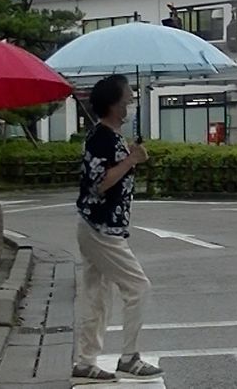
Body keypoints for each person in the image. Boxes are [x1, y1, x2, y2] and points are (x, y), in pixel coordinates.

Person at [72, 77, 163, 383]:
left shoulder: (110, 137)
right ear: (113, 104)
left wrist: (130, 157)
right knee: (138, 287)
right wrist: (131, 161)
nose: (131, 102)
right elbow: (99, 184)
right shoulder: (102, 138)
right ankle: (130, 357)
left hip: (97, 226)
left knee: (96, 295)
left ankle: (85, 362)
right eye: (127, 98)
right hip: (100, 228)